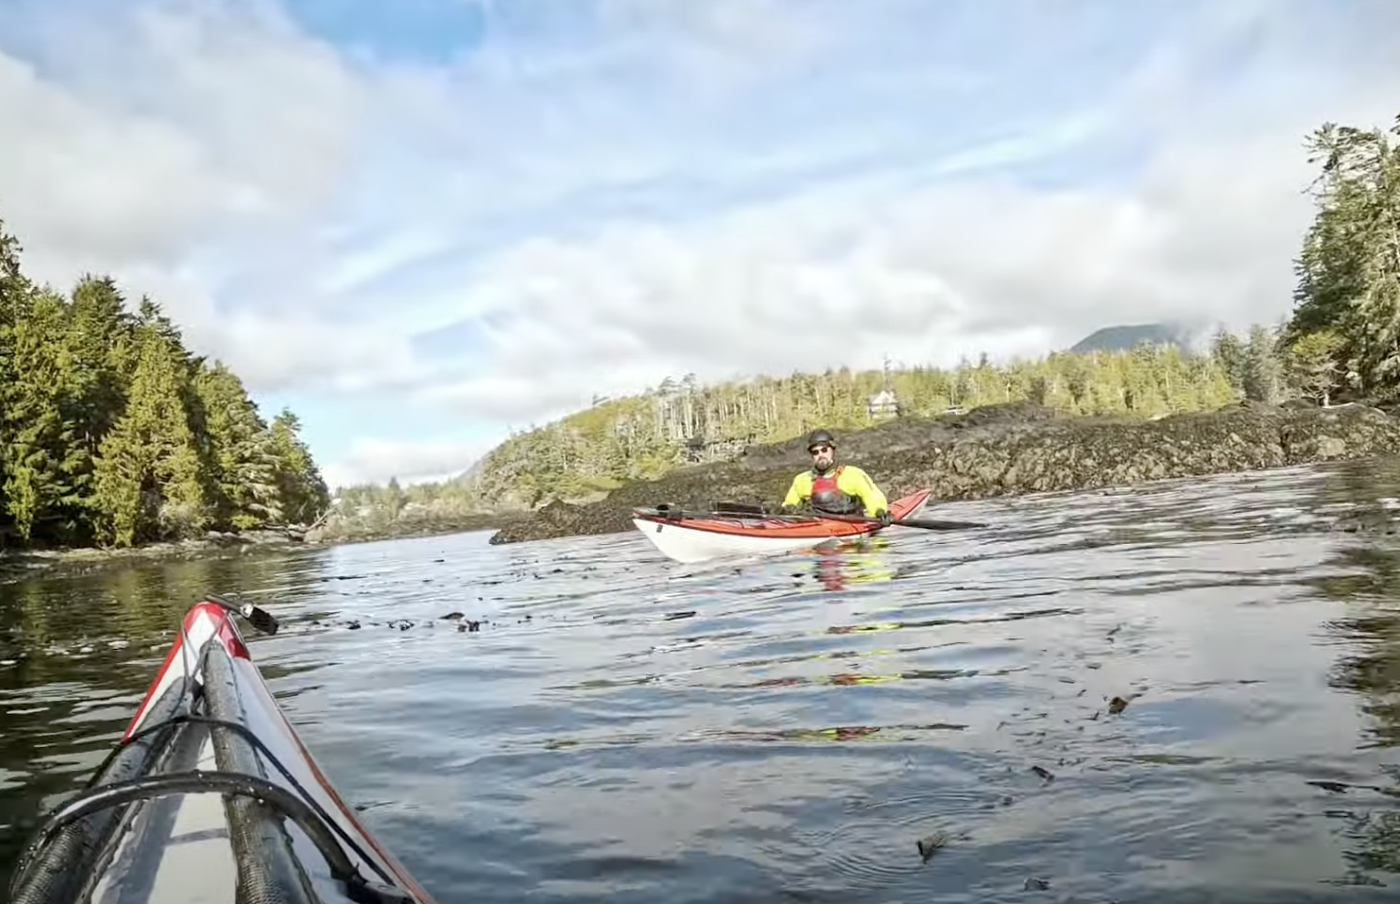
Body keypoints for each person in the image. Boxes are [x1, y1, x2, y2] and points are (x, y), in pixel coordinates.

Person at [781, 429, 892, 525]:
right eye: (815, 452)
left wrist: (879, 512)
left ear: (832, 450)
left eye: (824, 450)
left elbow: (871, 496)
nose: (820, 455)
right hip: (817, 526)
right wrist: (786, 510)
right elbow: (789, 503)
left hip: (851, 525)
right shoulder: (802, 480)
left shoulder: (853, 474)